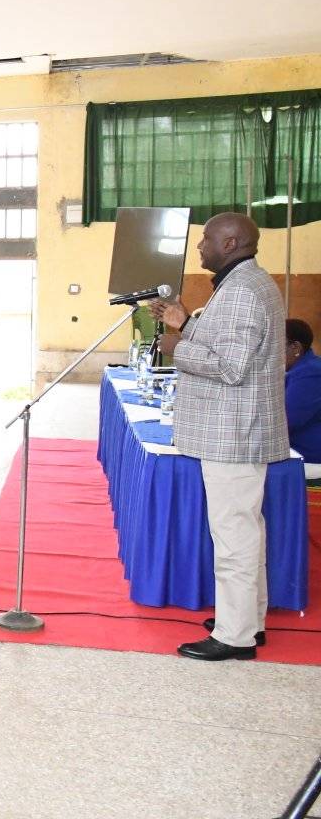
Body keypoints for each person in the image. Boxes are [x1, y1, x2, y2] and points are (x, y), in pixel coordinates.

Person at [150, 213, 288, 662]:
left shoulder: (244, 291)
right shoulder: (242, 284)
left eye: (206, 239)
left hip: (234, 433)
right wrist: (185, 323)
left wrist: (178, 349)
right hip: (237, 430)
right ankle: (248, 619)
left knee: (233, 535)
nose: (199, 247)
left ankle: (235, 636)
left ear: (230, 242)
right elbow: (228, 346)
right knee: (244, 530)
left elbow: (231, 368)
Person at [283, 318, 321, 468]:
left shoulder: (311, 373)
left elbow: (286, 420)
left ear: (295, 348)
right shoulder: (303, 370)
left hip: (309, 459)